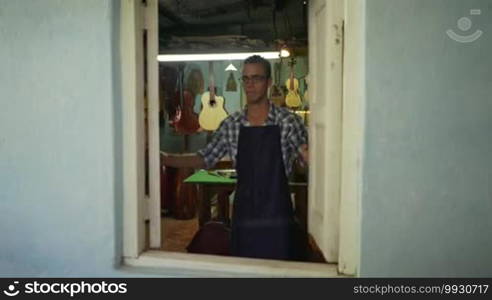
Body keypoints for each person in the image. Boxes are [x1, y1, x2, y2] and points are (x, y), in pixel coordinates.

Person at [162, 55, 308, 260]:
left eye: (256, 78)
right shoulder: (231, 124)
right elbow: (205, 158)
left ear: (268, 82)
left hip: (279, 219)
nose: (250, 84)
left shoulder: (289, 122)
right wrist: (166, 159)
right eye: (246, 79)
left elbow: (306, 162)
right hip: (244, 217)